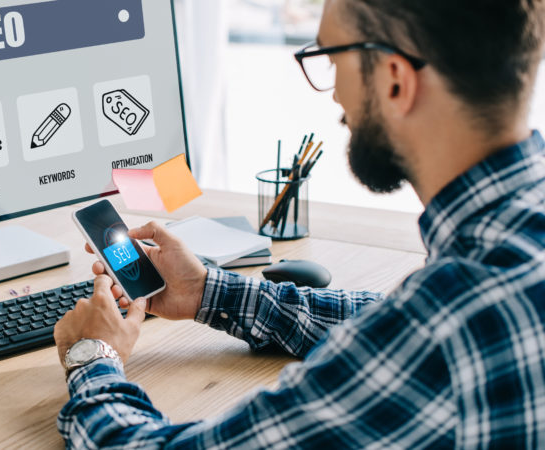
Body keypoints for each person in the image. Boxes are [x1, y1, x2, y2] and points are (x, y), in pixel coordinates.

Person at [54, 0, 545, 447]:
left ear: (394, 79)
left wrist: (93, 356)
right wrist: (210, 292)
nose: (336, 98)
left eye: (331, 60)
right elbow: (390, 324)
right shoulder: (513, 242)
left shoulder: (451, 320)